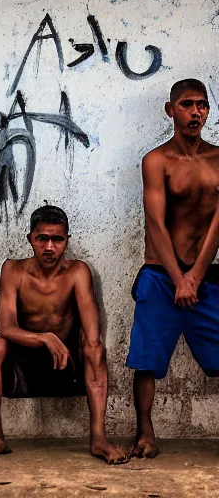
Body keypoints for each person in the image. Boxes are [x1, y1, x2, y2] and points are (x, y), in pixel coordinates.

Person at [0, 205, 128, 464]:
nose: (49, 247)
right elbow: (4, 327)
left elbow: (92, 332)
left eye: (57, 239)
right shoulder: (13, 270)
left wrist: (80, 344)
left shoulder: (77, 272)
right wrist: (44, 337)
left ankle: (98, 439)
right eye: (42, 238)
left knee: (96, 348)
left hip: (66, 363)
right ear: (30, 239)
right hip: (25, 359)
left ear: (66, 241)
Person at [126, 78, 219, 458]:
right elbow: (155, 223)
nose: (195, 112)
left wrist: (195, 276)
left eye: (202, 105)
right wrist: (179, 279)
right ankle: (145, 433)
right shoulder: (156, 160)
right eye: (186, 104)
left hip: (206, 275)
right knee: (146, 360)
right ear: (170, 110)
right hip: (161, 276)